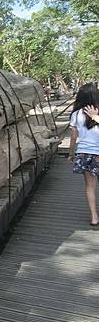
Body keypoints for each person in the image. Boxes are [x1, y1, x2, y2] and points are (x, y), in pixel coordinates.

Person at [68, 83, 99, 226]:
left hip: (84, 154)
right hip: (92, 153)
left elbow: (74, 136)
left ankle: (94, 217)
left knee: (90, 186)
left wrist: (71, 153)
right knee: (90, 186)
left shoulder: (76, 114)